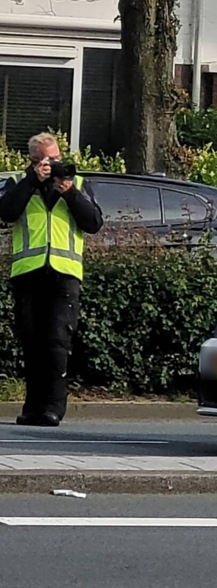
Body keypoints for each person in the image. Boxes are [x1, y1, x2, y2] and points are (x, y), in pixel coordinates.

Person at [0, 133, 103, 427]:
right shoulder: (19, 184)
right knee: (32, 343)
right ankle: (32, 408)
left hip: (64, 273)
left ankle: (53, 408)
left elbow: (93, 223)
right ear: (34, 160)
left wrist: (69, 192)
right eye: (48, 160)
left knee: (57, 341)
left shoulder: (78, 184)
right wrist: (33, 180)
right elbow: (6, 212)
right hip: (28, 273)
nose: (55, 165)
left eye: (57, 158)